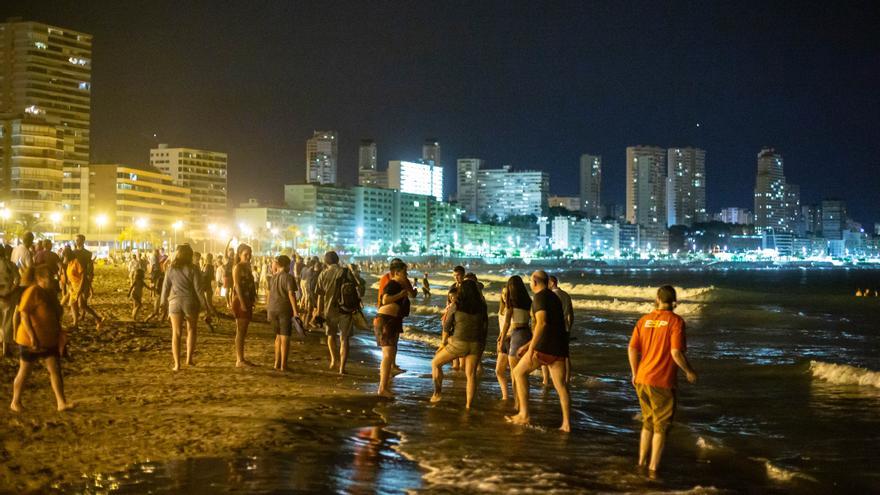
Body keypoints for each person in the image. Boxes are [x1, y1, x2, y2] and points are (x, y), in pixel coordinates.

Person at [627, 285, 697, 477]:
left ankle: (641, 462)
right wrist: (689, 371)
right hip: (662, 381)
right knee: (661, 427)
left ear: (657, 299)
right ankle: (653, 469)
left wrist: (634, 373)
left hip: (641, 379)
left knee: (648, 423)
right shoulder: (676, 322)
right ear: (674, 302)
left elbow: (632, 349)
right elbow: (676, 353)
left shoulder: (644, 320)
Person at [505, 270, 571, 432]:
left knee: (518, 372)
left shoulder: (540, 297)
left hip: (544, 348)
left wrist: (531, 349)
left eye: (530, 280)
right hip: (559, 347)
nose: (529, 283)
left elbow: (541, 324)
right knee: (561, 387)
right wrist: (527, 345)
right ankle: (566, 424)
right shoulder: (553, 297)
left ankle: (524, 414)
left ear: (535, 281)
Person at [10, 264, 71, 412]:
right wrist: (32, 337)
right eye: (49, 277)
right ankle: (15, 402)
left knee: (54, 369)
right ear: (39, 279)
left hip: (48, 339)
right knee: (25, 370)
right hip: (30, 340)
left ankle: (61, 402)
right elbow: (23, 315)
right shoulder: (33, 291)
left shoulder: (48, 292)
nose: (53, 280)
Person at [430, 279, 488, 408]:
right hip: (477, 344)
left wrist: (443, 343)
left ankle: (437, 393)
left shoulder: (457, 305)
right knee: (471, 375)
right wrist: (481, 346)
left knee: (435, 363)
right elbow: (485, 327)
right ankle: (468, 406)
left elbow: (446, 326)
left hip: (459, 343)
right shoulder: (482, 306)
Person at [160, 244, 209, 371]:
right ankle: (189, 359)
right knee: (191, 330)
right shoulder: (193, 269)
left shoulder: (170, 269)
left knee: (176, 333)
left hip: (174, 302)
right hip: (190, 302)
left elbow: (165, 288)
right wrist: (205, 305)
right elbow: (199, 289)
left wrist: (162, 303)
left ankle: (177, 364)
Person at [315, 251, 357, 374]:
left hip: (329, 310)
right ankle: (342, 368)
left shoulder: (323, 274)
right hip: (345, 309)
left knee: (330, 335)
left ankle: (334, 360)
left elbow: (320, 296)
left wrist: (318, 312)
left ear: (326, 262)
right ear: (337, 260)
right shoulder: (345, 271)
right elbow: (355, 287)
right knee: (344, 338)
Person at [374, 260, 409, 397]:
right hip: (386, 320)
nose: (407, 275)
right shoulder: (393, 283)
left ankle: (384, 387)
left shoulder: (399, 283)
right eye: (405, 272)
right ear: (396, 273)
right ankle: (382, 388)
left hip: (390, 320)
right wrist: (401, 295)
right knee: (388, 355)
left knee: (389, 354)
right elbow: (385, 299)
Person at [496, 275, 532, 403]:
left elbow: (506, 324)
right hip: (527, 333)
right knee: (523, 373)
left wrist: (501, 341)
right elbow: (534, 321)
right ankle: (523, 400)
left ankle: (518, 402)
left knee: (515, 372)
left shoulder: (511, 303)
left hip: (516, 334)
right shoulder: (528, 302)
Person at [268, 255, 299, 371]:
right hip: (284, 309)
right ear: (286, 265)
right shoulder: (289, 277)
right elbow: (291, 294)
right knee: (285, 337)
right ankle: (283, 365)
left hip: (272, 309)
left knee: (278, 337)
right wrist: (296, 311)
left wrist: (268, 309)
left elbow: (269, 294)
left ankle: (276, 362)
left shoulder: (273, 277)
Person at [67, 235, 103, 328]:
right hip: (75, 280)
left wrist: (90, 277)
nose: (76, 241)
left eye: (78, 240)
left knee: (82, 304)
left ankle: (95, 318)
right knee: (74, 304)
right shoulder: (73, 253)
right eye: (76, 240)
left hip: (83, 280)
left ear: (83, 241)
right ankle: (75, 322)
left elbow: (90, 266)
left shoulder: (87, 253)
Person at [232, 243, 256, 367]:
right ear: (240, 254)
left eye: (249, 254)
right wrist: (242, 303)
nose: (248, 256)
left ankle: (241, 358)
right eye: (245, 254)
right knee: (241, 331)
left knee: (243, 330)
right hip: (240, 300)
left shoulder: (247, 267)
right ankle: (239, 359)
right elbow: (237, 286)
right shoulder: (238, 267)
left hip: (247, 300)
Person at [548, 275, 574, 384]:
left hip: (554, 328)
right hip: (565, 328)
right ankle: (567, 379)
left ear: (553, 282)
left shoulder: (551, 295)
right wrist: (569, 327)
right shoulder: (566, 295)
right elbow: (571, 315)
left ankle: (551, 379)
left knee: (550, 354)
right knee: (565, 355)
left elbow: (549, 314)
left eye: (547, 282)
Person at [0, 246, 20, 357]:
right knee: (7, 322)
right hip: (8, 297)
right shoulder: (11, 265)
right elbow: (17, 280)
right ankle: (5, 349)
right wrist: (10, 291)